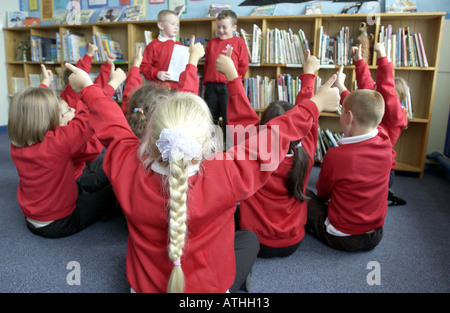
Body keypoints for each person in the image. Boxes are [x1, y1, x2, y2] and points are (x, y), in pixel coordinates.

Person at [66, 48, 339, 292]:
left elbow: (113, 126)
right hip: (211, 289)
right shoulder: (225, 174)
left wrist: (89, 88)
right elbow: (272, 138)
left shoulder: (126, 166)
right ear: (209, 142)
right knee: (247, 241)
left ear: (149, 136)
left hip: (144, 286)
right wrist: (314, 104)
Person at [305, 41, 408, 252]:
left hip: (343, 236)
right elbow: (364, 107)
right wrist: (343, 88)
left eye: (343, 111)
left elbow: (323, 193)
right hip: (376, 234)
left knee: (303, 195)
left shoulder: (335, 155)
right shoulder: (385, 140)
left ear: (348, 116)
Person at [7, 65, 122, 238]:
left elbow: (29, 111)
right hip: (59, 222)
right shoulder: (58, 142)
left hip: (31, 219)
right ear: (48, 117)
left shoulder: (17, 144)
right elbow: (90, 114)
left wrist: (45, 83)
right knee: (114, 192)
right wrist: (106, 84)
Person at [227, 49, 321, 258]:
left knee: (226, 203)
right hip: (293, 242)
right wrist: (308, 77)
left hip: (256, 243)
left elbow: (241, 115)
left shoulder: (253, 150)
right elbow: (308, 116)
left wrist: (233, 78)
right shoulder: (306, 148)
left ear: (262, 129)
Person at [351, 42, 409, 205]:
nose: (377, 93)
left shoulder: (395, 116)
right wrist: (359, 61)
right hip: (366, 164)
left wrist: (383, 57)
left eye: (381, 91)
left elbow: (387, 91)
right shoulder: (376, 108)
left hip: (381, 172)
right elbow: (367, 89)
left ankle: (380, 193)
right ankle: (378, 192)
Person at [125, 37, 205, 138]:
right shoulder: (166, 144)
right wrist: (193, 59)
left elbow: (128, 96)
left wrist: (135, 66)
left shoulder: (124, 137)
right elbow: (186, 102)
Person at [203, 9, 249, 135]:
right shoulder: (211, 43)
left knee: (230, 119)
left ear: (234, 28)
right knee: (210, 120)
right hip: (211, 87)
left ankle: (230, 150)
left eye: (224, 27)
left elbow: (243, 65)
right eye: (218, 27)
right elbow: (207, 64)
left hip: (228, 87)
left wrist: (235, 81)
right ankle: (211, 149)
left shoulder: (239, 42)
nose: (221, 30)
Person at [140, 10, 184, 90]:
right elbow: (144, 66)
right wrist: (157, 73)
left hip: (177, 90)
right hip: (158, 89)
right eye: (173, 24)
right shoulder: (153, 45)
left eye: (178, 25)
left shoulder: (180, 46)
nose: (176, 27)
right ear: (161, 25)